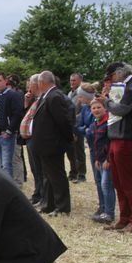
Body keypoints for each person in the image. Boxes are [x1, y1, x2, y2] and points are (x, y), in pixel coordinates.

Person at [96, 62, 132, 233]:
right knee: (118, 181)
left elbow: (123, 109)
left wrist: (106, 102)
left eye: (111, 77)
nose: (110, 80)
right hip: (116, 137)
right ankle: (125, 218)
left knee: (128, 181)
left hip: (127, 138)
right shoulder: (124, 86)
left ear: (119, 73)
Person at [31, 71, 74, 216]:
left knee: (57, 176)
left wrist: (68, 138)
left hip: (52, 144)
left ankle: (62, 207)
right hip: (45, 144)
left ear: (43, 82)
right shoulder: (46, 95)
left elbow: (62, 121)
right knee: (48, 176)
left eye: (38, 82)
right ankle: (48, 204)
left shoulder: (55, 96)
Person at [0, 71, 23, 179]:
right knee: (0, 163)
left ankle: (9, 190)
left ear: (5, 81)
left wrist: (9, 130)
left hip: (6, 135)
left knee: (7, 164)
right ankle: (3, 187)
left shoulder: (13, 95)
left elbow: (17, 114)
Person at [20, 74, 44, 205]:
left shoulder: (42, 99)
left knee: (39, 169)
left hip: (36, 139)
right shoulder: (34, 100)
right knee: (35, 169)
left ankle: (42, 195)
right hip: (30, 139)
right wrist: (26, 103)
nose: (28, 88)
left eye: (30, 84)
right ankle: (38, 192)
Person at [67, 73, 87, 182]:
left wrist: (74, 118)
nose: (71, 82)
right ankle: (73, 172)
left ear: (80, 81)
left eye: (74, 80)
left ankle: (81, 174)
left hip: (78, 125)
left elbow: (83, 111)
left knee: (79, 150)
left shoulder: (82, 93)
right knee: (70, 150)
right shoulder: (70, 93)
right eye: (71, 80)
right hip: (70, 125)